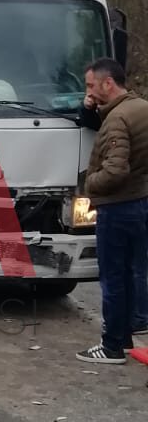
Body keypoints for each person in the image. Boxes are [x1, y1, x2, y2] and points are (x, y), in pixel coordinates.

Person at [76, 57, 148, 364]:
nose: (89, 91)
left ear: (109, 83)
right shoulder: (141, 108)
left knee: (113, 277)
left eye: (92, 85)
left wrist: (89, 184)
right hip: (142, 202)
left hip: (118, 207)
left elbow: (116, 171)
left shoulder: (117, 119)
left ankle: (112, 346)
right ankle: (131, 329)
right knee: (135, 271)